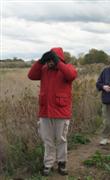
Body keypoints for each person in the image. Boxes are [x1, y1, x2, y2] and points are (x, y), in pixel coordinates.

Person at [28, 47, 77, 176]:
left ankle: (62, 163)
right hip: (45, 111)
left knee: (61, 139)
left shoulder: (67, 68)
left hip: (61, 111)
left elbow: (71, 75)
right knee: (47, 140)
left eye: (52, 60)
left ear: (58, 59)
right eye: (48, 60)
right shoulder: (44, 70)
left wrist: (59, 63)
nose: (49, 63)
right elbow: (31, 75)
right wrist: (40, 61)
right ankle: (48, 164)